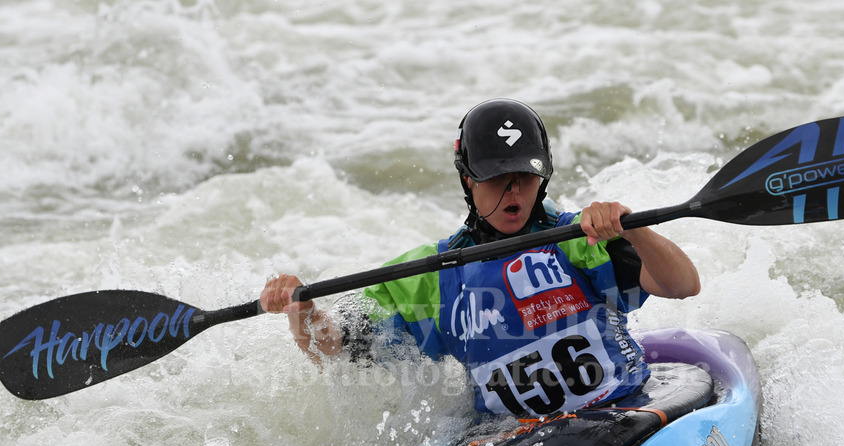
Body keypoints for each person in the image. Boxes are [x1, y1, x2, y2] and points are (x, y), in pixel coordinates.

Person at [260, 99, 700, 417]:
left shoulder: (578, 239)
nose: (513, 191)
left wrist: (633, 227)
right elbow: (333, 350)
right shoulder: (434, 275)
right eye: (497, 179)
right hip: (517, 439)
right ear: (469, 181)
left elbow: (682, 285)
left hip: (619, 408)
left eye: (524, 177)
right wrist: (303, 311)